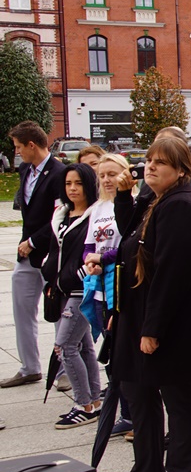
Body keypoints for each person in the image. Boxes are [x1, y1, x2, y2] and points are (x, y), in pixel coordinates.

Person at [107, 137, 191, 472]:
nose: (150, 167)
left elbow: (173, 273)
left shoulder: (181, 205)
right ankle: (147, 467)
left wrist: (153, 329)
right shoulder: (158, 201)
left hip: (175, 322)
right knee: (139, 389)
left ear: (182, 170)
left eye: (161, 163)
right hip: (143, 314)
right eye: (149, 161)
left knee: (178, 397)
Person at [3, 122, 66, 389]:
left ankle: (64, 370)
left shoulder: (60, 173)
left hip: (51, 254)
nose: (16, 152)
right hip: (26, 254)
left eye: (18, 147)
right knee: (21, 309)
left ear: (31, 145)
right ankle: (30, 367)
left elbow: (59, 217)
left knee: (58, 313)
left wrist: (32, 241)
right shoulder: (25, 170)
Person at [43, 163, 104, 429]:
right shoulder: (62, 214)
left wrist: (74, 275)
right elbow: (56, 252)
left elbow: (93, 253)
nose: (72, 189)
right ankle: (93, 400)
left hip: (83, 288)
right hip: (63, 289)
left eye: (78, 183)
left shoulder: (95, 216)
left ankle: (83, 404)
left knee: (64, 346)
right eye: (68, 184)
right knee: (84, 345)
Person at [82, 153, 132, 436]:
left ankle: (131, 413)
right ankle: (125, 412)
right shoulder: (98, 208)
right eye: (102, 175)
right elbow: (89, 244)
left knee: (122, 354)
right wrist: (90, 261)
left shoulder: (129, 204)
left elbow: (127, 243)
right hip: (100, 289)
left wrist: (103, 259)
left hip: (120, 288)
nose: (106, 179)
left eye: (112, 173)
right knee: (112, 356)